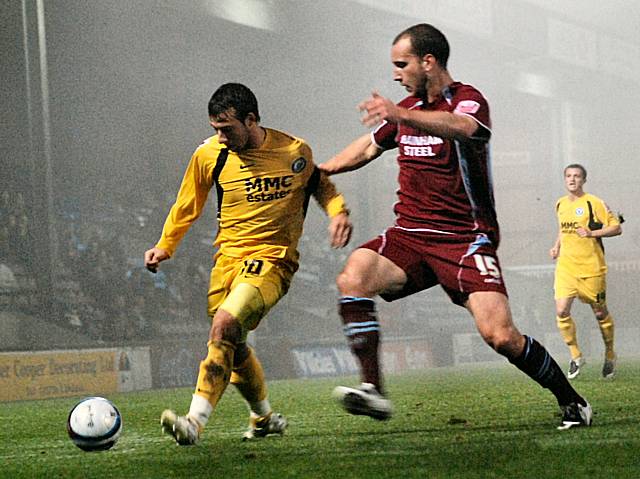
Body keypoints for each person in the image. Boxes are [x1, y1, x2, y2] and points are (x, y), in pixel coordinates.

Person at [319, 23, 592, 430]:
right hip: (410, 235)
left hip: (465, 240)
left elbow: (463, 128)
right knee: (352, 278)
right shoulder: (405, 109)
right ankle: (373, 389)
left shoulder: (468, 101)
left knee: (501, 337)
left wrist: (402, 113)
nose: (396, 74)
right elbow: (368, 146)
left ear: (428, 62)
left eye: (402, 64)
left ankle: (572, 401)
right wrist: (322, 171)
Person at [145, 83, 352, 445]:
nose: (221, 138)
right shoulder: (210, 155)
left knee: (225, 325)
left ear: (251, 119)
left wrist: (338, 213)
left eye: (227, 129)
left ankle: (193, 423)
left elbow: (320, 184)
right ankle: (263, 418)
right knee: (233, 345)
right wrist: (166, 245)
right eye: (215, 130)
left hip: (273, 260)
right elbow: (187, 203)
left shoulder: (293, 151)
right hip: (226, 262)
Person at [549, 164, 622, 379]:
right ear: (565, 179)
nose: (572, 179)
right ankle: (576, 356)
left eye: (577, 176)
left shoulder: (594, 203)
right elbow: (563, 230)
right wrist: (557, 246)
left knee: (600, 313)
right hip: (566, 267)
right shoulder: (560, 204)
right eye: (569, 176)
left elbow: (616, 227)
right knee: (561, 310)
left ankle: (609, 354)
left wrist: (592, 233)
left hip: (592, 268)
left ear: (584, 180)